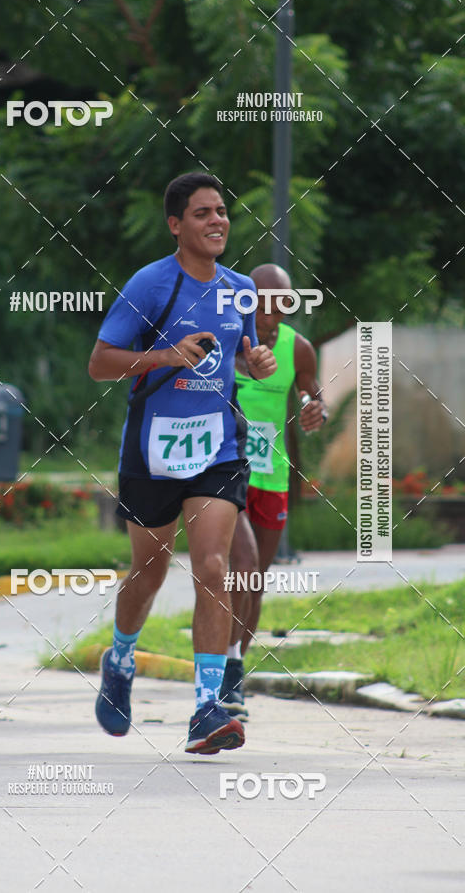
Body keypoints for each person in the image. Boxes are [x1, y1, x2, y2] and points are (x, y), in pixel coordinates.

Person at [88, 172, 277, 754]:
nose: (217, 221)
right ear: (176, 225)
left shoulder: (240, 286)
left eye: (222, 211)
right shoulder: (149, 285)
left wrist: (256, 362)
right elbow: (99, 363)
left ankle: (206, 706)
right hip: (152, 449)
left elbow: (238, 357)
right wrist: (165, 355)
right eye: (202, 213)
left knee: (214, 567)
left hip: (216, 448)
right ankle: (120, 658)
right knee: (148, 570)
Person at [218, 263, 328, 719]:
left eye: (284, 300)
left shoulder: (297, 348)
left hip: (272, 474)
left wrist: (312, 409)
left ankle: (235, 666)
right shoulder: (227, 336)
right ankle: (225, 665)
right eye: (264, 299)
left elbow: (311, 393)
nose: (274, 309)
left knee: (255, 578)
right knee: (239, 568)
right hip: (227, 467)